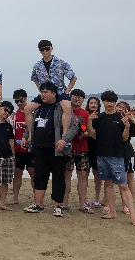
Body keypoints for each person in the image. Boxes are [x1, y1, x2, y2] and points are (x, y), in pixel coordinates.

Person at [86, 90, 135, 227]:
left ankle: (133, 217)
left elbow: (124, 138)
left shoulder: (120, 117)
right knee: (108, 183)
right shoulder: (99, 117)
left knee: (123, 185)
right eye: (106, 101)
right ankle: (112, 211)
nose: (109, 104)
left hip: (116, 156)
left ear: (115, 102)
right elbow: (92, 134)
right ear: (103, 102)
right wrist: (89, 121)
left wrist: (127, 126)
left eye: (111, 101)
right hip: (101, 155)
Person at [23, 82, 78, 217]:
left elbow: (74, 127)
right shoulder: (38, 108)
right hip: (39, 148)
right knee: (39, 176)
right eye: (41, 92)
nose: (43, 94)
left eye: (46, 92)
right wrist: (26, 136)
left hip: (57, 149)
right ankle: (38, 204)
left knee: (58, 177)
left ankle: (58, 206)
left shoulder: (61, 108)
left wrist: (64, 140)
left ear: (54, 94)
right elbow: (31, 124)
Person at [25, 40, 76, 141]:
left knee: (67, 107)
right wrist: (41, 91)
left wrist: (67, 92)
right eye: (42, 50)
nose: (45, 51)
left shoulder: (61, 63)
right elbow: (35, 79)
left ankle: (64, 135)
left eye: (47, 49)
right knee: (27, 109)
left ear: (51, 48)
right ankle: (30, 135)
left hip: (60, 91)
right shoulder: (37, 65)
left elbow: (73, 78)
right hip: (45, 92)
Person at [63, 89, 93, 213]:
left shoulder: (86, 114)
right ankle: (64, 203)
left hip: (82, 148)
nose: (77, 98)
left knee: (82, 176)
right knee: (66, 175)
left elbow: (90, 132)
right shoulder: (65, 111)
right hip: (67, 148)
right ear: (70, 97)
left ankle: (82, 204)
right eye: (75, 96)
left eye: (80, 97)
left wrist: (85, 134)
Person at [115, 101, 135, 215]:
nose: (120, 109)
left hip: (127, 153)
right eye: (118, 106)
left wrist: (134, 118)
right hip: (114, 152)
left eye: (123, 108)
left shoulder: (129, 122)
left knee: (129, 179)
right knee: (113, 180)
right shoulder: (112, 119)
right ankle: (108, 203)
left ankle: (126, 205)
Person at [9, 89, 34, 204]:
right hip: (18, 149)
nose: (19, 103)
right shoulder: (14, 115)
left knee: (33, 172)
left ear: (26, 99)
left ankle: (36, 198)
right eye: (16, 101)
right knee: (17, 172)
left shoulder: (32, 113)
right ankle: (15, 197)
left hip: (31, 149)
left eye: (21, 100)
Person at [85, 96, 103, 208]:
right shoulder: (85, 115)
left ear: (98, 105)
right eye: (91, 103)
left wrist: (90, 134)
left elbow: (99, 133)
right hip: (86, 148)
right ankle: (84, 198)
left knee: (97, 175)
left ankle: (97, 198)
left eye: (95, 103)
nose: (93, 105)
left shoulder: (101, 117)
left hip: (97, 149)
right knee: (84, 175)